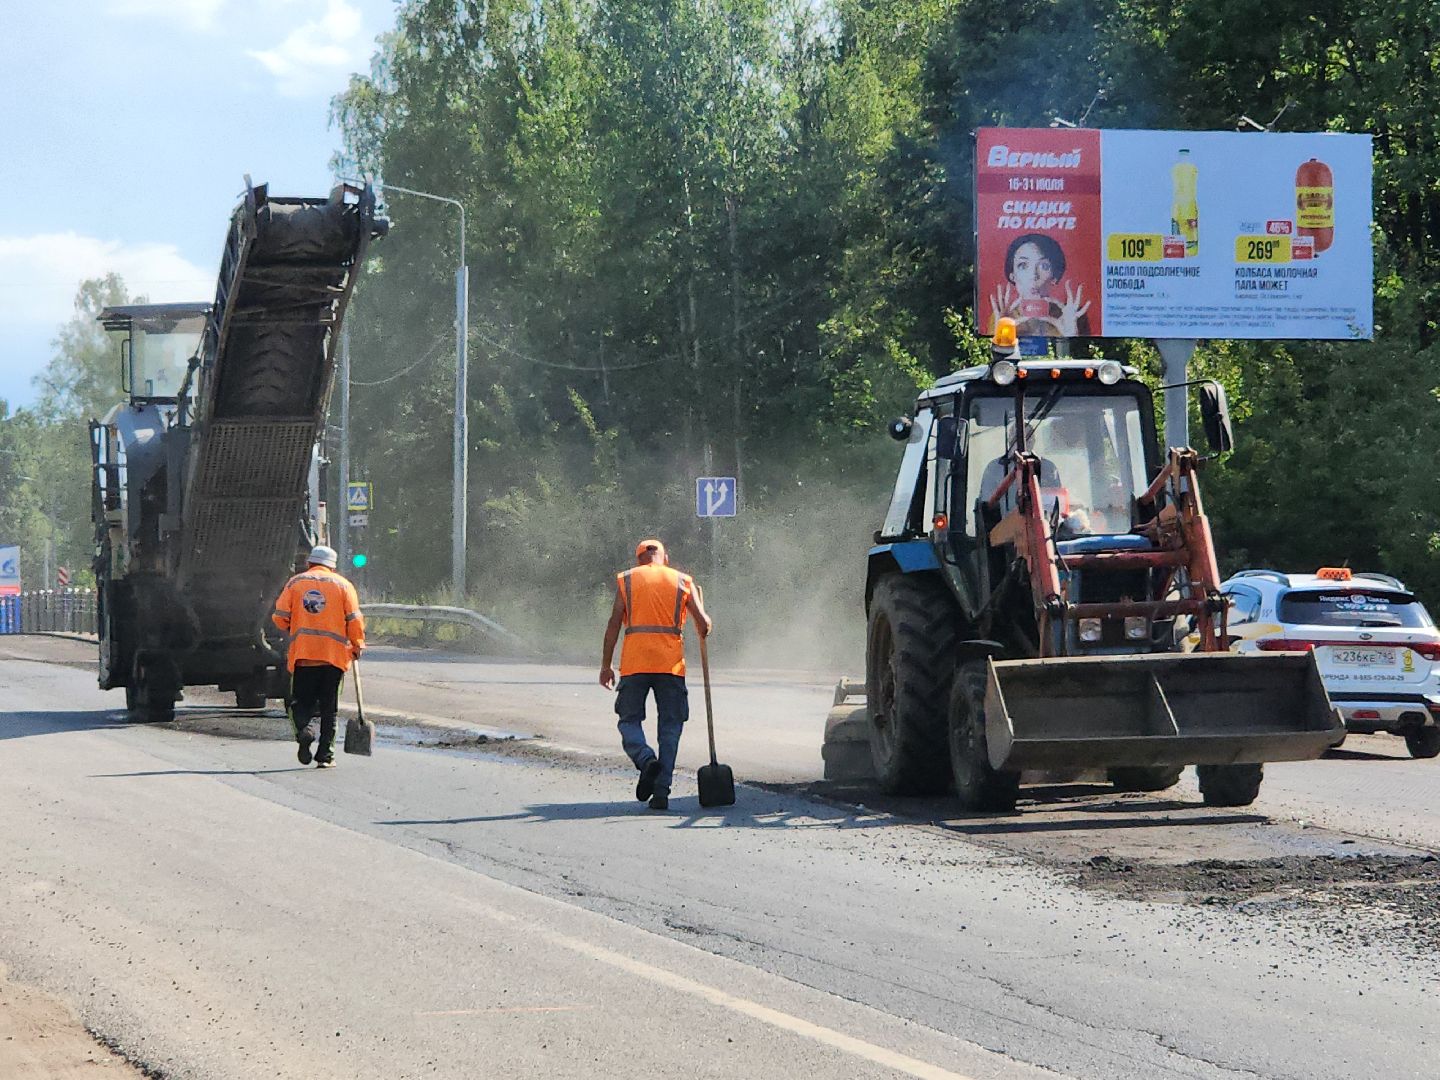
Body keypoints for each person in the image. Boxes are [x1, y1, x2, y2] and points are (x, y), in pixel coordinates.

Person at [599, 539, 712, 810]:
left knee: (629, 720)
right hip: (670, 665)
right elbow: (703, 625)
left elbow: (614, 622)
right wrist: (706, 622)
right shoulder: (683, 581)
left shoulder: (627, 580)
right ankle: (661, 791)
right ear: (665, 557)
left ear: (639, 560)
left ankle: (646, 759)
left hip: (635, 664)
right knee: (670, 727)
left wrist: (606, 664)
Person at [272, 544, 365, 768]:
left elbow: (279, 617)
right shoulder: (344, 586)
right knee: (329, 709)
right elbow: (354, 620)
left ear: (310, 563)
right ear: (332, 566)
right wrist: (357, 645)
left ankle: (305, 731)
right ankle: (325, 755)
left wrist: (292, 625)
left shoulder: (295, 583)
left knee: (299, 704)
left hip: (303, 657)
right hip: (334, 659)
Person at [989, 233, 1091, 338]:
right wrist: (1001, 336)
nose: (1033, 275)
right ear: (1012, 275)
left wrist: (1071, 335)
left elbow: (1081, 353)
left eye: (1044, 266)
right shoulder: (1003, 317)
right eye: (1023, 265)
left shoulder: (1072, 316)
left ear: (1054, 276)